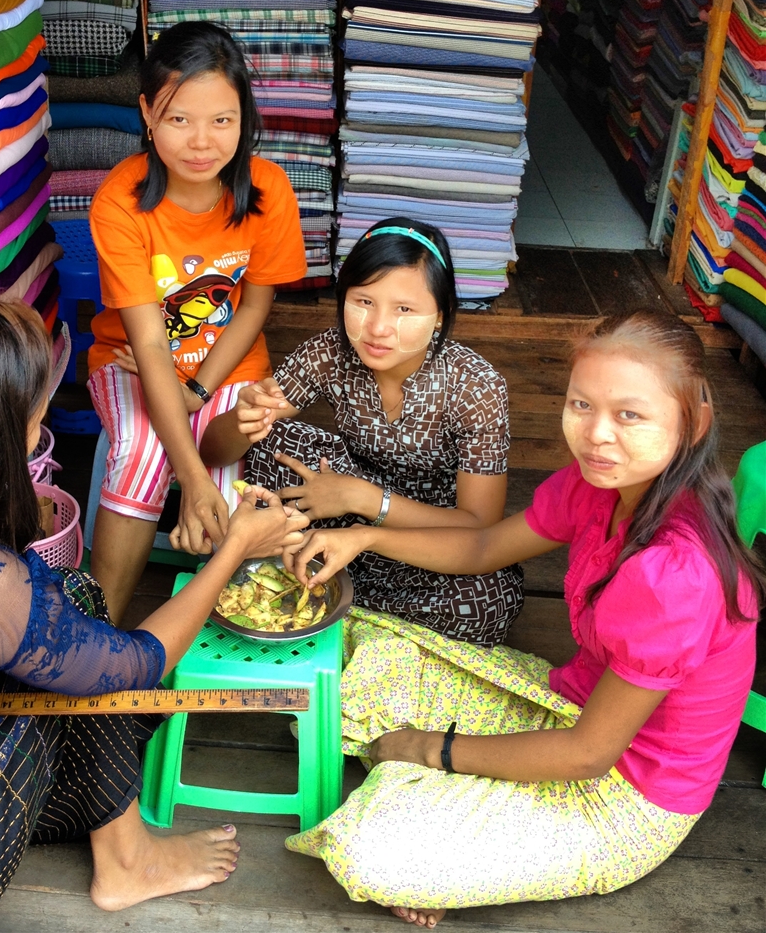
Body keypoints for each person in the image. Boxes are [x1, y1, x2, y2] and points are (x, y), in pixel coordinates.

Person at [0, 293, 306, 931]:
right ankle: (126, 860)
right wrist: (234, 547)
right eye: (35, 420)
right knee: (78, 605)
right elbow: (136, 665)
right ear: (2, 438)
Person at [281, 310, 764, 927]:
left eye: (629, 415)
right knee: (342, 663)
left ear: (692, 423)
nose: (597, 435)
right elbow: (482, 549)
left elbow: (588, 756)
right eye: (581, 405)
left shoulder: (675, 574)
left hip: (622, 795)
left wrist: (434, 749)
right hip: (564, 706)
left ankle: (422, 806)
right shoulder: (600, 486)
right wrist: (365, 539)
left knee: (366, 851)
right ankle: (426, 801)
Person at [200, 217, 523, 646]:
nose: (378, 328)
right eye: (364, 301)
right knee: (276, 441)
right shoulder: (329, 353)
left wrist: (364, 498)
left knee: (487, 601)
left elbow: (481, 525)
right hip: (339, 510)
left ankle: (321, 590)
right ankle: (346, 603)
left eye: (404, 309)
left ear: (440, 317)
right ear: (343, 299)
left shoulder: (476, 387)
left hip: (431, 538)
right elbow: (213, 453)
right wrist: (242, 420)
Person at [87, 21, 307, 626]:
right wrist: (188, 471)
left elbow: (255, 307)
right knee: (140, 451)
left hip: (226, 365)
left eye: (222, 120)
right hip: (132, 361)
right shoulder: (120, 202)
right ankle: (96, 637)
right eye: (178, 118)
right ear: (147, 115)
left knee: (231, 466)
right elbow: (151, 344)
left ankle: (226, 632)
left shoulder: (268, 190)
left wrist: (200, 391)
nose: (201, 141)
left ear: (245, 118)